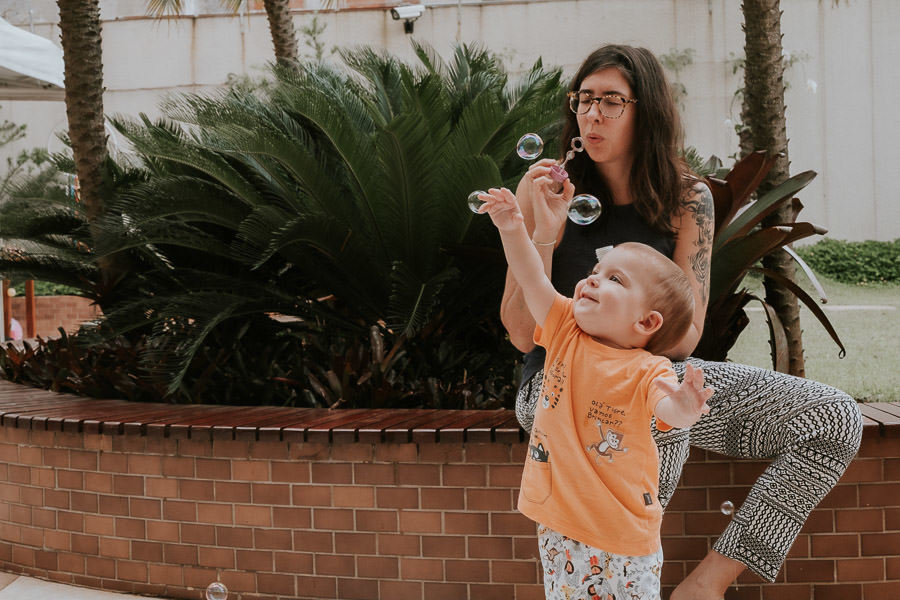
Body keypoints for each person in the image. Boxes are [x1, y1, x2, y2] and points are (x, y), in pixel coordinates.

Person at [501, 44, 863, 598]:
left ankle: (704, 584)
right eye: (584, 99)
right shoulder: (547, 191)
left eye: (611, 101)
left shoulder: (688, 199)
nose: (592, 114)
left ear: (646, 112)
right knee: (650, 414)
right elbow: (521, 332)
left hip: (655, 374)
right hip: (556, 382)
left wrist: (637, 369)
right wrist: (543, 230)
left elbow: (686, 333)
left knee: (832, 419)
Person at [480, 181, 714, 599]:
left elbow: (669, 412)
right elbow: (532, 277)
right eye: (594, 273)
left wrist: (686, 404)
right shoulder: (564, 328)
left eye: (614, 279)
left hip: (623, 536)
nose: (591, 280)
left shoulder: (649, 369)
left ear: (646, 322)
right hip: (560, 524)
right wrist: (512, 227)